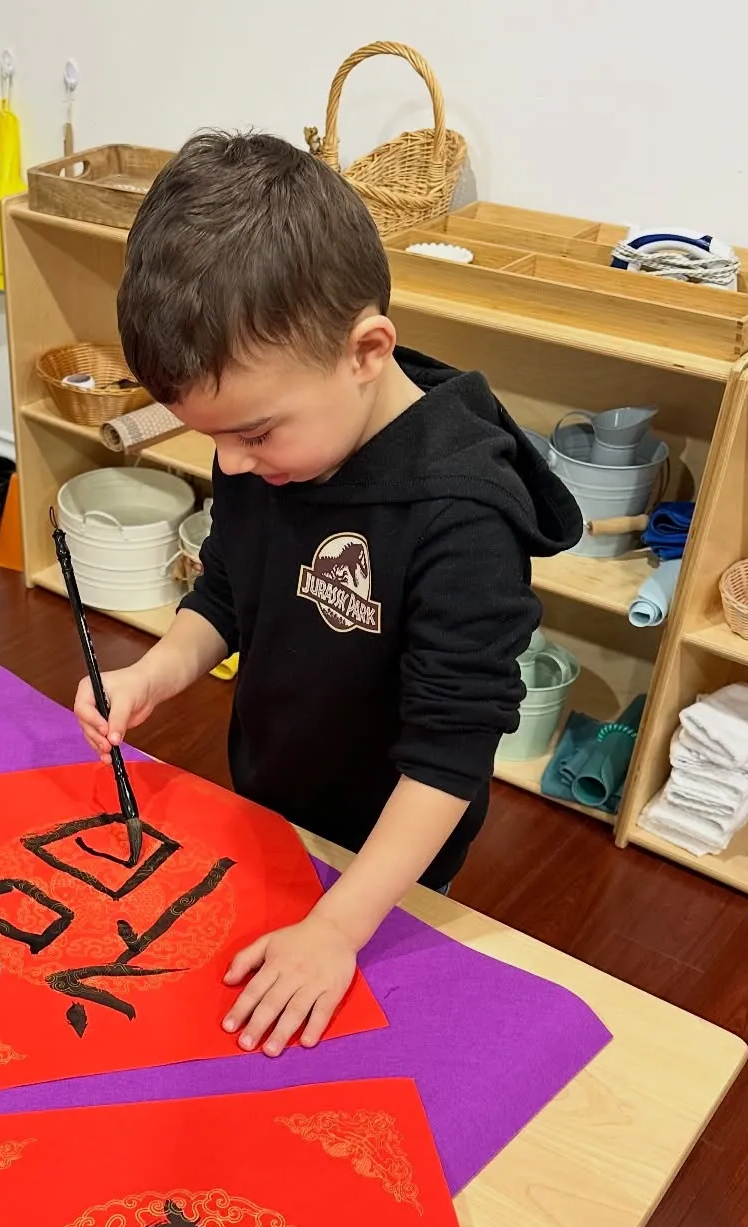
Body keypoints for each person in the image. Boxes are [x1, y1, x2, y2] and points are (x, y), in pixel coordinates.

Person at [73, 131, 581, 1060]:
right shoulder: (264, 434)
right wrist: (160, 668)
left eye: (255, 434)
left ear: (366, 350)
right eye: (212, 437)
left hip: (392, 837)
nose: (230, 464)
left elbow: (448, 755)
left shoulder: (463, 519)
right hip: (273, 794)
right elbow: (229, 582)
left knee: (361, 1035)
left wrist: (341, 928)